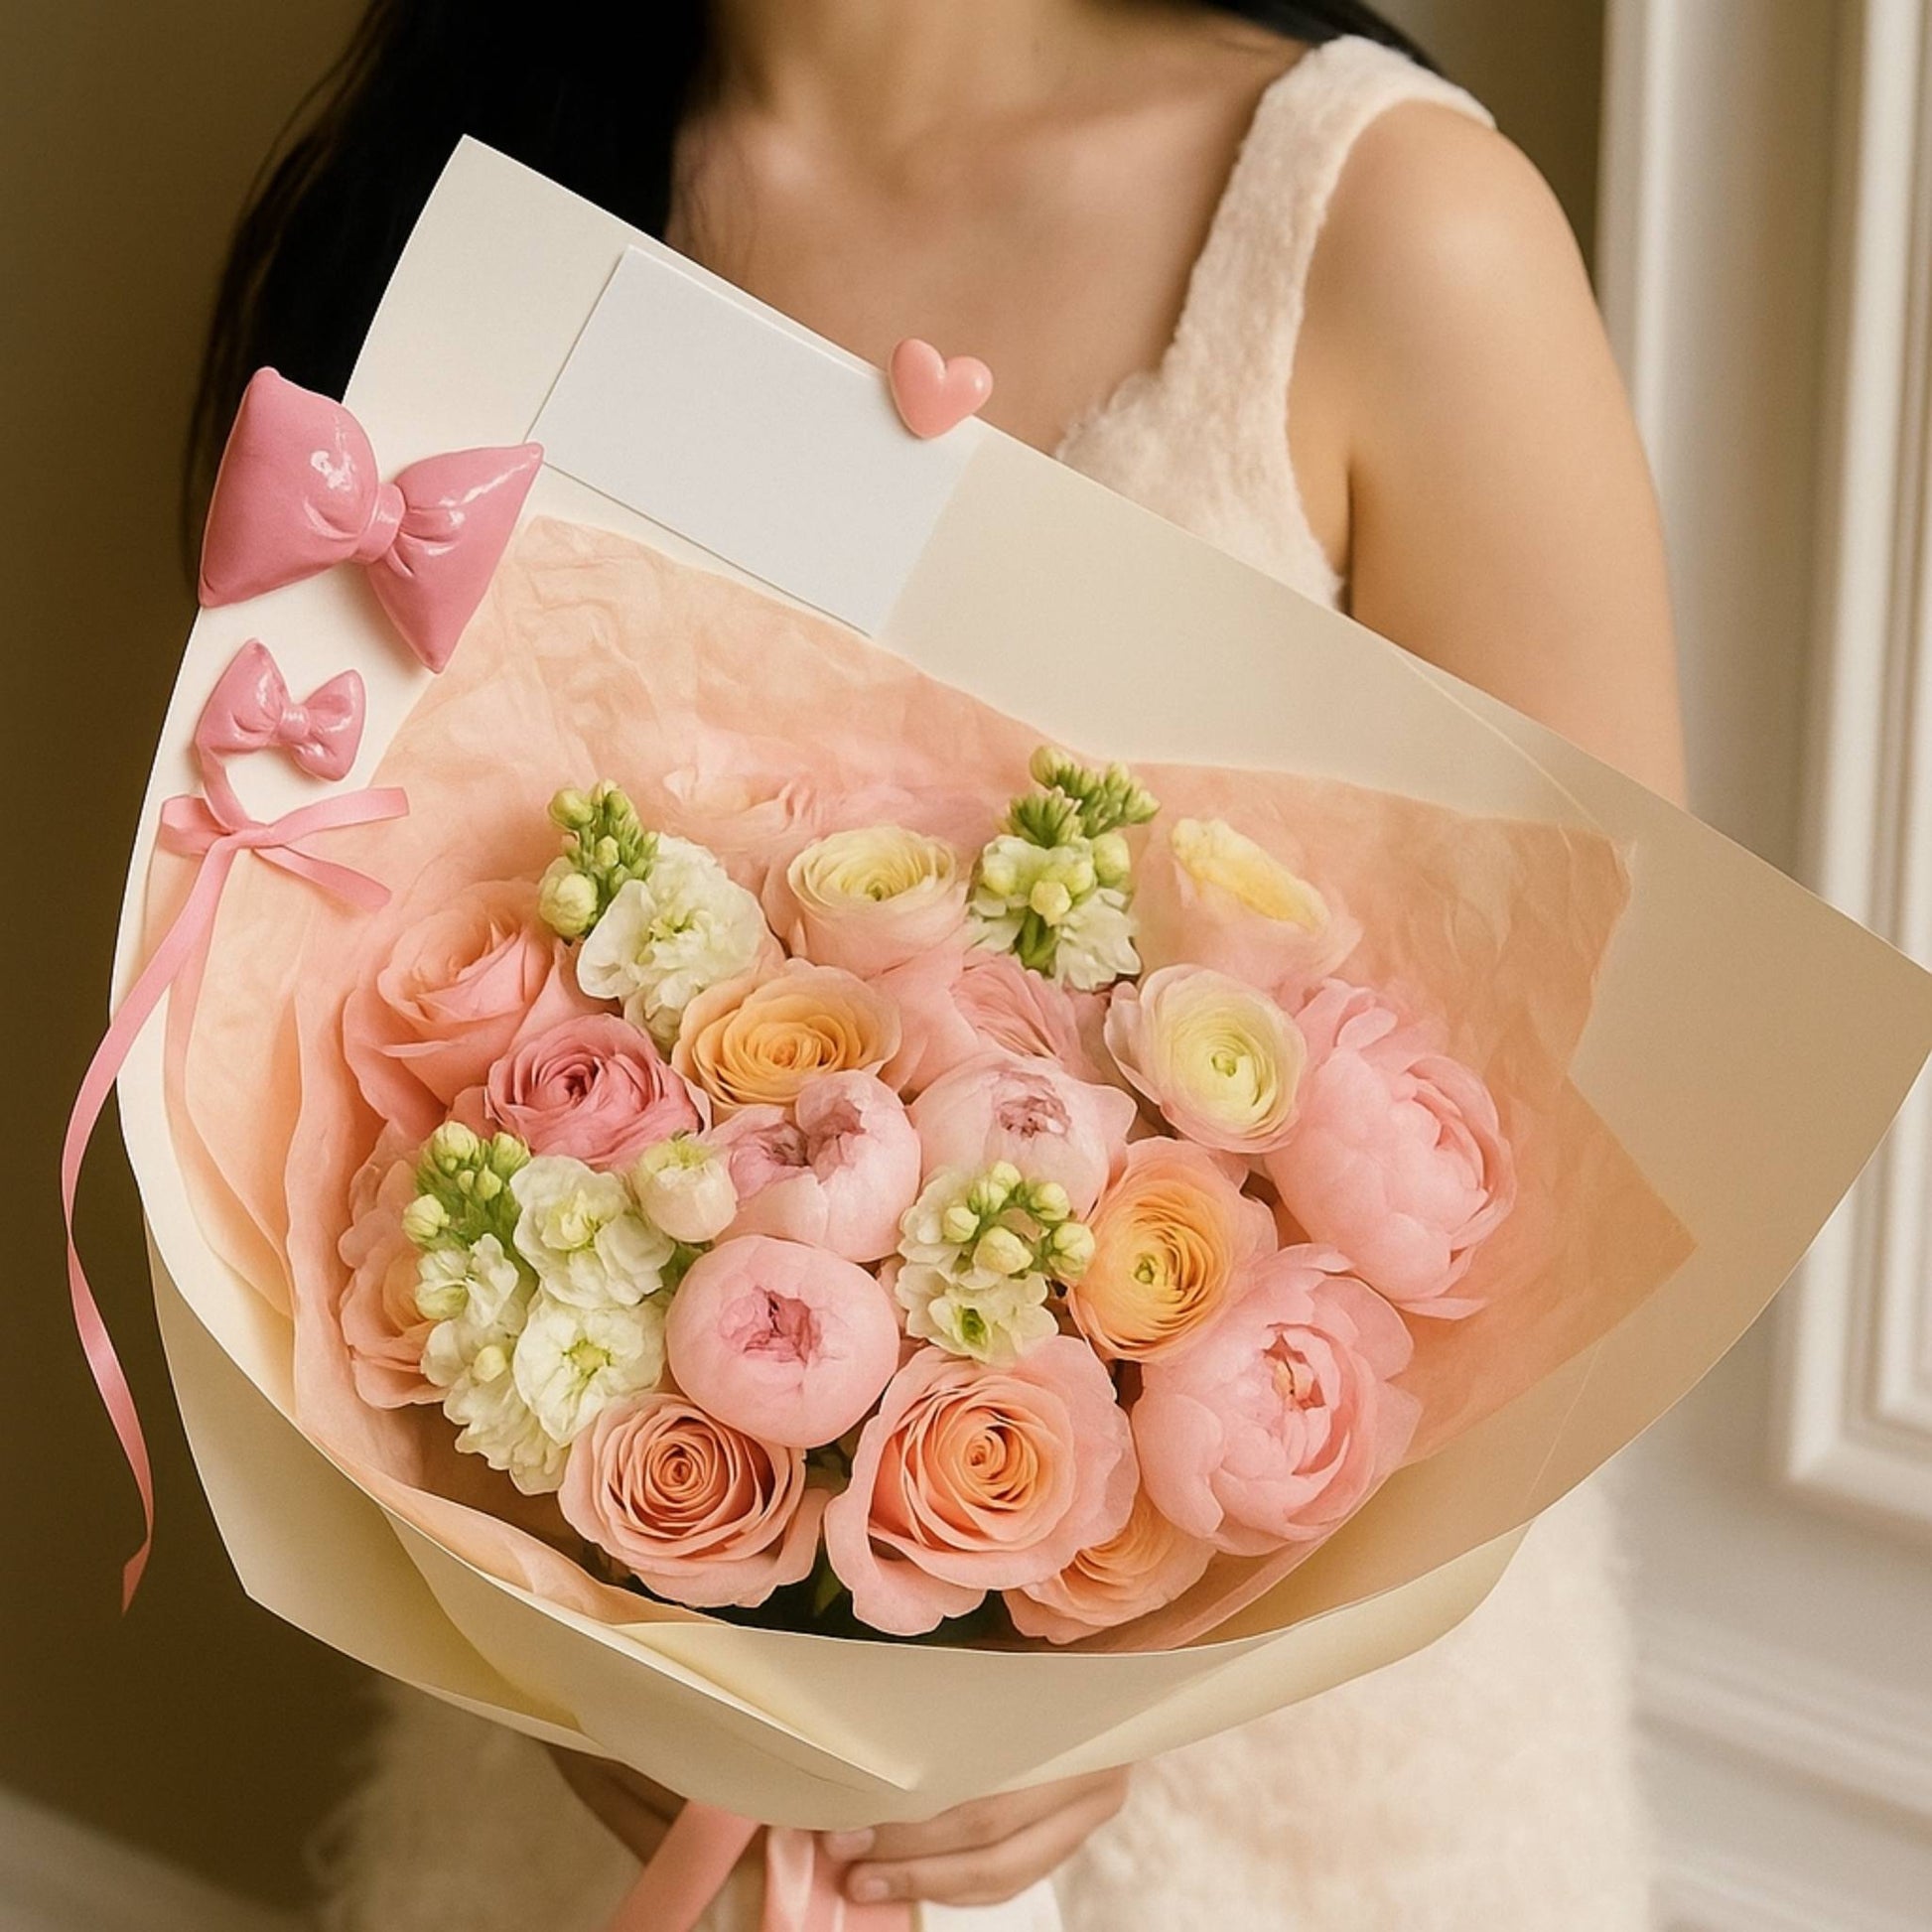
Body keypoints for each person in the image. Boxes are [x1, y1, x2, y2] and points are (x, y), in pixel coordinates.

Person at [194, 4, 1684, 1925]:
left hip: (1295, 1798)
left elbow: (1604, 1123)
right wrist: (561, 1634)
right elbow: (330, 1043)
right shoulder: (468, 202)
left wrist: (1145, 1637)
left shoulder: (1394, 228)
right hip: (607, 1779)